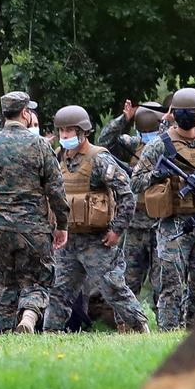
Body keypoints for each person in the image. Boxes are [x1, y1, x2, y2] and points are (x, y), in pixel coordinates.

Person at [0, 92, 69, 334]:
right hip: (33, 228)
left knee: (4, 284)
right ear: (25, 113)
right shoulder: (40, 146)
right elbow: (56, 191)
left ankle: (3, 332)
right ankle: (29, 317)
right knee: (37, 280)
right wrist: (62, 225)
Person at [42, 106, 150, 333]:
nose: (64, 136)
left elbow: (126, 196)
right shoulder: (58, 158)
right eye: (61, 131)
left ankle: (140, 327)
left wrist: (117, 230)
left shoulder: (99, 159)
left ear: (83, 132)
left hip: (97, 242)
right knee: (59, 290)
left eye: (70, 131)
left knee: (113, 287)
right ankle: (50, 334)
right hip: (68, 242)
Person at [131, 87, 195, 329]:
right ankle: (168, 332)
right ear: (174, 114)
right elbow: (135, 182)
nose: (186, 115)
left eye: (191, 112)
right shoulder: (159, 145)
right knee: (170, 286)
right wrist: (156, 175)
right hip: (172, 226)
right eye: (181, 111)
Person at [98, 100, 165, 307]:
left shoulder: (168, 143)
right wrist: (123, 119)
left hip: (160, 222)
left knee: (161, 281)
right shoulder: (133, 145)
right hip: (137, 223)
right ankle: (130, 320)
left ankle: (161, 321)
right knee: (131, 279)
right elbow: (105, 141)